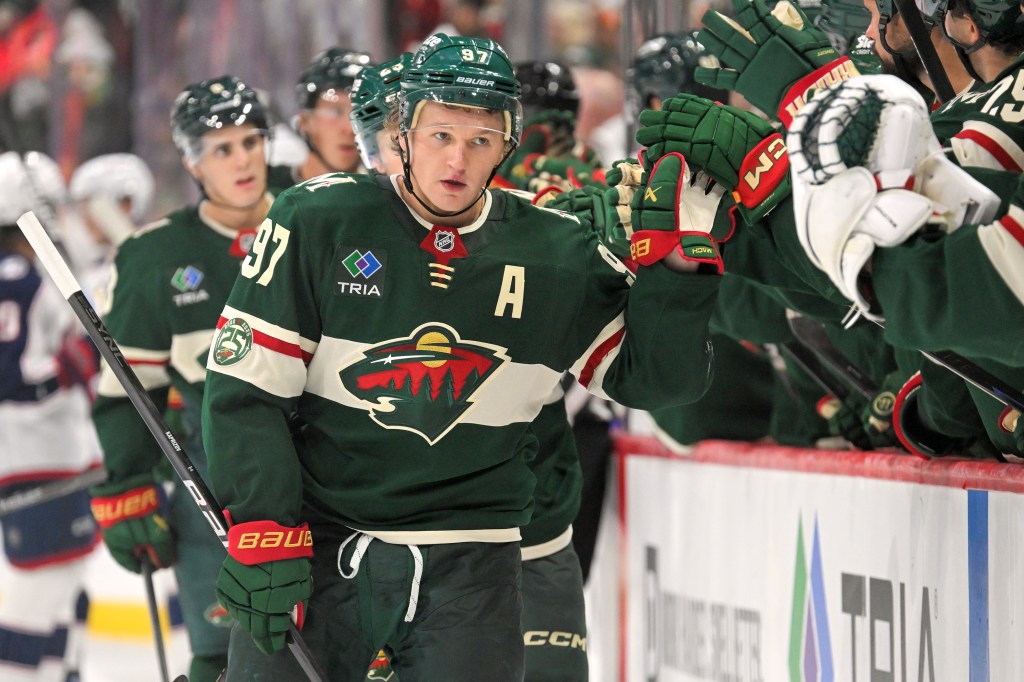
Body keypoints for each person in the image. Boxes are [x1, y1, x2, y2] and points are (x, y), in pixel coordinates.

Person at [203, 32, 720, 681]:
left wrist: (678, 271)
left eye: (480, 140)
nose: (457, 160)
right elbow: (246, 391)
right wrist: (263, 527)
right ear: (404, 133)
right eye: (440, 134)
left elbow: (653, 380)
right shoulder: (318, 220)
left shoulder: (554, 251)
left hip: (474, 570)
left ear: (507, 142)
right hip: (327, 546)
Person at [88, 75, 276, 682]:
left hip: (325, 478)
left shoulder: (315, 225)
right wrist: (128, 487)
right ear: (194, 162)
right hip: (211, 491)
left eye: (250, 141)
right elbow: (129, 394)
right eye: (222, 149)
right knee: (223, 659)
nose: (242, 160)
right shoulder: (154, 257)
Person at [0, 151, 102, 682]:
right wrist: (76, 360)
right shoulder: (16, 276)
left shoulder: (26, 273)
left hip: (51, 453)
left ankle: (63, 673)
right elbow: (10, 377)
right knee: (41, 591)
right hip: (36, 456)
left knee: (67, 585)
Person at [268, 47, 373, 191]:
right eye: (335, 112)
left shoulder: (388, 194)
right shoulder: (264, 191)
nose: (350, 128)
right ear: (304, 121)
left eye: (362, 112)